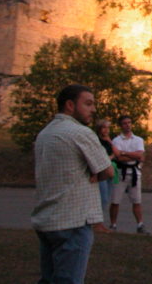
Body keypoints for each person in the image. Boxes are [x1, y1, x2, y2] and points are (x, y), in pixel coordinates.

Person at [31, 84, 113, 284]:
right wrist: (94, 174)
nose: (93, 109)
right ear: (70, 105)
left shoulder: (45, 133)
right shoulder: (80, 132)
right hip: (73, 221)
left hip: (47, 220)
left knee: (49, 279)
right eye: (88, 104)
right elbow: (108, 170)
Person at [109, 115, 146, 233]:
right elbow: (119, 158)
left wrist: (124, 153)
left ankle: (140, 224)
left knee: (137, 200)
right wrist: (130, 155)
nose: (128, 125)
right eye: (125, 123)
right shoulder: (116, 140)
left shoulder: (138, 140)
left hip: (134, 173)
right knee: (115, 201)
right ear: (121, 125)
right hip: (120, 173)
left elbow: (140, 155)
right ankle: (113, 224)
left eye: (129, 122)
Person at [95, 118, 120, 233]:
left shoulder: (109, 140)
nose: (106, 130)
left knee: (107, 197)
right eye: (104, 127)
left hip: (111, 170)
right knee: (102, 197)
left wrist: (110, 141)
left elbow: (117, 153)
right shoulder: (96, 140)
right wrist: (109, 158)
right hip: (101, 171)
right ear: (100, 129)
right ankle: (97, 223)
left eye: (108, 128)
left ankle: (100, 222)